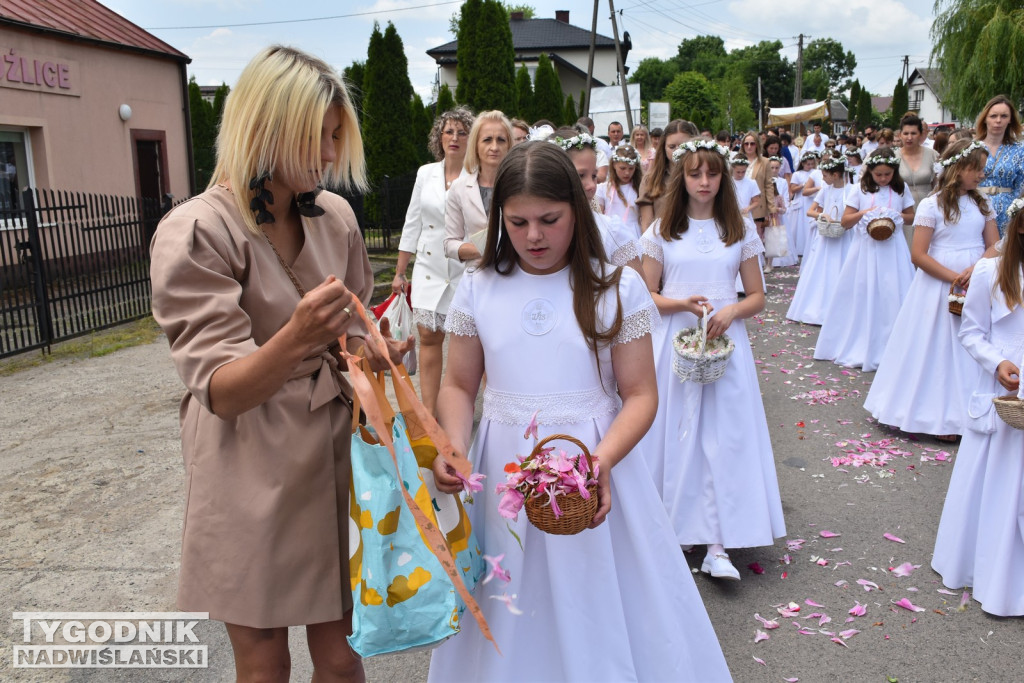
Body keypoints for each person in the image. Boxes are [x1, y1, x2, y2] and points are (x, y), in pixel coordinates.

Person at [149, 45, 411, 681]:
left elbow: (351, 333)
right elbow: (221, 388)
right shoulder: (200, 230)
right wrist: (296, 338)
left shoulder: (336, 217)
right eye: (318, 138)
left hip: (332, 450)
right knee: (263, 661)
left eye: (333, 137)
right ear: (268, 129)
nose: (329, 154)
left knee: (345, 656)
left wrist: (374, 353)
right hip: (248, 461)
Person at [426, 141, 731, 682]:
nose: (534, 236)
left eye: (549, 219)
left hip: (596, 460)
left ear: (577, 209)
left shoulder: (617, 286)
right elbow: (457, 384)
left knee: (602, 596)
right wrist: (451, 442)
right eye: (517, 223)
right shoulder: (478, 287)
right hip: (502, 469)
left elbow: (640, 395)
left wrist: (601, 461)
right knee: (511, 600)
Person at [639, 139, 786, 581]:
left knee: (723, 437)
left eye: (712, 174)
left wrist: (731, 309)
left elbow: (758, 295)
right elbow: (644, 295)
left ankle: (719, 541)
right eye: (694, 174)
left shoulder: (738, 229)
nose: (704, 182)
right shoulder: (662, 230)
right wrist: (683, 304)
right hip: (677, 340)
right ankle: (676, 527)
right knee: (676, 434)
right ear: (681, 178)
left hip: (726, 342)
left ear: (723, 178)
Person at [864, 139, 1000, 440]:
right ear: (957, 168)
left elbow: (994, 245)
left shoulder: (982, 203)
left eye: (982, 169)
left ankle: (973, 412)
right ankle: (940, 418)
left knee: (972, 342)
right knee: (938, 346)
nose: (981, 175)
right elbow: (919, 254)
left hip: (976, 277)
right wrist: (955, 277)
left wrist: (975, 270)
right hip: (940, 282)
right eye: (975, 169)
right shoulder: (931, 204)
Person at [931, 197, 1024, 616]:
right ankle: (994, 569)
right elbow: (970, 333)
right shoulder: (990, 271)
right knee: (1000, 478)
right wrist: (998, 362)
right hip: (1005, 382)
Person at [393, 107, 474, 415]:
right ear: (439, 137)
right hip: (428, 266)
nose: (454, 137)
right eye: (448, 131)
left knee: (466, 342)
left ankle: (459, 408)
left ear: (471, 139)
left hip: (464, 267)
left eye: (462, 132)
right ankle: (429, 415)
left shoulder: (477, 176)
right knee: (428, 337)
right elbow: (412, 221)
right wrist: (400, 271)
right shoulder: (425, 173)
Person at [814, 147, 916, 371]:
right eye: (878, 174)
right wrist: (864, 213)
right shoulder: (860, 189)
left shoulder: (901, 189)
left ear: (894, 172)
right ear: (869, 171)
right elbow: (845, 221)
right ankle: (861, 341)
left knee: (893, 292)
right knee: (864, 291)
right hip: (865, 251)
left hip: (893, 250)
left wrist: (896, 215)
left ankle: (894, 346)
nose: (882, 178)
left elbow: (911, 217)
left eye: (887, 174)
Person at [551, 128, 641, 270]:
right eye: (580, 175)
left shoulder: (611, 232)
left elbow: (637, 286)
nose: (592, 185)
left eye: (594, 176)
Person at [786, 154, 854, 324]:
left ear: (836, 175)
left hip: (844, 234)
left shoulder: (852, 190)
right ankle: (819, 307)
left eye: (825, 175)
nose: (822, 178)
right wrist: (823, 215)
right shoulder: (825, 190)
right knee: (824, 268)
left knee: (844, 265)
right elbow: (811, 211)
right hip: (827, 234)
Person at [443, 110, 512, 264]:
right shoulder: (459, 188)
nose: (494, 147)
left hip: (514, 274)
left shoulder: (520, 185)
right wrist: (486, 248)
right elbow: (449, 244)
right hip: (476, 277)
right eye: (487, 140)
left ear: (509, 145)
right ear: (475, 145)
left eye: (501, 140)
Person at [975, 94, 1024, 236]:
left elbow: (1021, 186)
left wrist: (1014, 209)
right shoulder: (972, 147)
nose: (998, 121)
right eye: (993, 116)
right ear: (985, 118)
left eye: (1004, 116)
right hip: (975, 207)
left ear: (1010, 120)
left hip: (1008, 212)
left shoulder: (1019, 150)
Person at [637, 119, 698, 231]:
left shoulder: (702, 178)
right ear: (664, 148)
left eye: (683, 146)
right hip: (662, 240)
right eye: (672, 146)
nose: (677, 151)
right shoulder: (651, 179)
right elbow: (647, 224)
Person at [895, 112, 940, 248]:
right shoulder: (893, 156)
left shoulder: (932, 155)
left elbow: (939, 183)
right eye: (906, 133)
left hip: (928, 205)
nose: (909, 137)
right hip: (903, 208)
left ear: (921, 134)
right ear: (900, 135)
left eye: (913, 133)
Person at [596, 144, 643, 239]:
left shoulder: (640, 188)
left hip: (634, 234)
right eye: (622, 168)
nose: (627, 173)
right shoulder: (603, 188)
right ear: (614, 165)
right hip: (611, 234)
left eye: (631, 168)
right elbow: (599, 216)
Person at [739, 132, 777, 240]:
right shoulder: (738, 160)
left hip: (758, 203)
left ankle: (757, 257)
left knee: (756, 233)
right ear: (743, 145)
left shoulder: (764, 162)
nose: (749, 146)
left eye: (752, 143)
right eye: (746, 144)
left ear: (757, 145)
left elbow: (768, 185)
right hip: (740, 201)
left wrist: (771, 207)